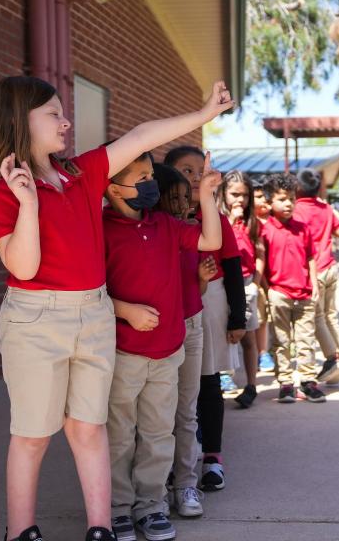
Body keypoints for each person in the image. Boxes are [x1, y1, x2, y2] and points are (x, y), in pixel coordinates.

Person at [0, 76, 233, 541]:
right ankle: (20, 531)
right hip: (37, 318)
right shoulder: (0, 191)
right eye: (53, 113)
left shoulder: (80, 174)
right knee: (33, 434)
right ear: (20, 120)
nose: (66, 120)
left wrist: (202, 117)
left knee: (89, 427)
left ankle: (102, 527)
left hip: (93, 314)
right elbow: (25, 266)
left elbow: (138, 138)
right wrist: (28, 205)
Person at [103, 152, 221, 541]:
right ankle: (118, 508)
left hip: (168, 351)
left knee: (158, 433)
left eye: (150, 175)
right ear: (112, 186)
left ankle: (151, 505)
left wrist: (206, 194)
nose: (149, 183)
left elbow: (210, 239)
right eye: (139, 176)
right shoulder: (100, 230)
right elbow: (90, 291)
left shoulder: (167, 225)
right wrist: (126, 311)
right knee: (119, 435)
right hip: (123, 352)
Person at [164, 147, 246, 492]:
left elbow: (232, 269)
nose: (195, 178)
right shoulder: (159, 220)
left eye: (200, 171)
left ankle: (212, 457)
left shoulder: (216, 220)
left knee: (208, 383)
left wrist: (238, 316)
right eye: (186, 170)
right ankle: (171, 460)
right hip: (168, 302)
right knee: (169, 389)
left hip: (209, 303)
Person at [152, 163, 207, 518]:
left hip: (192, 325)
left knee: (186, 413)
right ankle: (153, 489)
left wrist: (201, 278)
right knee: (154, 417)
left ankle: (186, 482)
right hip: (158, 328)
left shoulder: (193, 234)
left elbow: (196, 289)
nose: (181, 205)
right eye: (173, 198)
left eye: (186, 198)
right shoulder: (154, 235)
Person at [260, 173, 324, 403]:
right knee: (281, 341)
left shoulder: (303, 228)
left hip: (304, 293)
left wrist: (314, 284)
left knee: (306, 340)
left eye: (291, 199)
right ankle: (286, 383)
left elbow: (310, 257)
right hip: (279, 293)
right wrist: (269, 290)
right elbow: (262, 263)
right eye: (282, 199)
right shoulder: (265, 230)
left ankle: (308, 382)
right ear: (270, 203)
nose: (288, 203)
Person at [293, 169, 339, 385]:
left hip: (314, 269)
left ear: (297, 188)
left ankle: (332, 358)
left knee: (316, 316)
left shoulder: (297, 210)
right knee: (330, 315)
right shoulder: (325, 208)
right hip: (331, 266)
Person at [218, 170, 265, 408]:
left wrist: (256, 283)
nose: (240, 200)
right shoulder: (218, 219)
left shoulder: (251, 222)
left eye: (245, 195)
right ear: (223, 194)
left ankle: (251, 385)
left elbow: (259, 253)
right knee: (222, 335)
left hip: (246, 284)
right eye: (235, 194)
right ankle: (222, 378)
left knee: (248, 336)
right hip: (223, 283)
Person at [250, 176, 274, 373]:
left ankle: (265, 351)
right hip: (257, 278)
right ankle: (260, 352)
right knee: (257, 318)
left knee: (265, 319)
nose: (263, 201)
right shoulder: (251, 223)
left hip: (275, 280)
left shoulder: (274, 222)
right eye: (258, 196)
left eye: (265, 197)